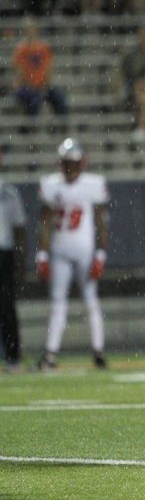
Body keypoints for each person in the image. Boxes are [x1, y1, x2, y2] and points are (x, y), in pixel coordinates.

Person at [36, 138, 110, 371]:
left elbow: (101, 222)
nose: (70, 168)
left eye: (73, 163)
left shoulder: (92, 185)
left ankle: (98, 352)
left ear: (82, 163)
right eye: (66, 164)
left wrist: (100, 255)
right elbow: (45, 222)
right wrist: (43, 255)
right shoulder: (52, 185)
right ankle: (51, 354)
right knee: (58, 303)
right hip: (59, 251)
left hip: (85, 252)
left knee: (91, 301)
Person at [0, 145, 25, 372]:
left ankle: (13, 355)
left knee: (6, 306)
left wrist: (20, 259)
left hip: (3, 252)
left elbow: (19, 229)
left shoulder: (8, 191)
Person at [13, 19, 68, 117]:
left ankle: (60, 128)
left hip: (42, 86)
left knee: (60, 98)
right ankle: (29, 128)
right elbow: (21, 73)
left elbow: (48, 69)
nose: (30, 32)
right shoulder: (21, 49)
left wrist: (44, 86)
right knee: (34, 100)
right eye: (28, 29)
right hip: (25, 88)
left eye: (32, 29)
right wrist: (34, 87)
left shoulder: (44, 48)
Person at [117, 26, 145, 112]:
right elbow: (122, 75)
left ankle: (142, 125)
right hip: (135, 91)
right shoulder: (131, 56)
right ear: (139, 38)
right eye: (142, 36)